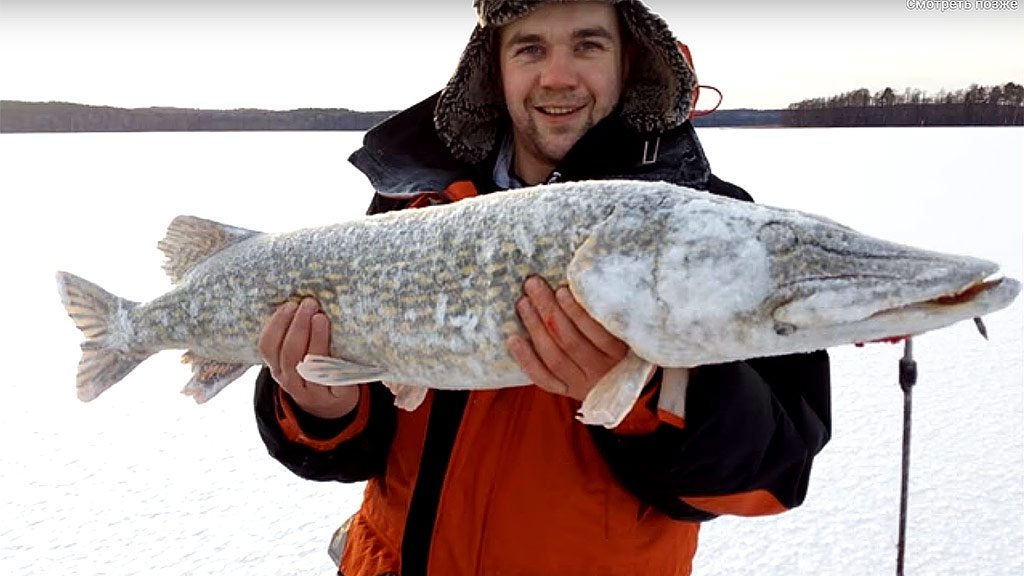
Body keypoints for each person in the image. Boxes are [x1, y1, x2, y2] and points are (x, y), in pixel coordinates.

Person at [254, 1, 831, 574]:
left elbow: (776, 472)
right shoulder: (413, 204)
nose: (557, 77)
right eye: (530, 48)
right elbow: (360, 446)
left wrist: (651, 396)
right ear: (493, 70)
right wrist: (323, 411)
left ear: (628, 59)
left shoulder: (713, 227)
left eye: (588, 45)